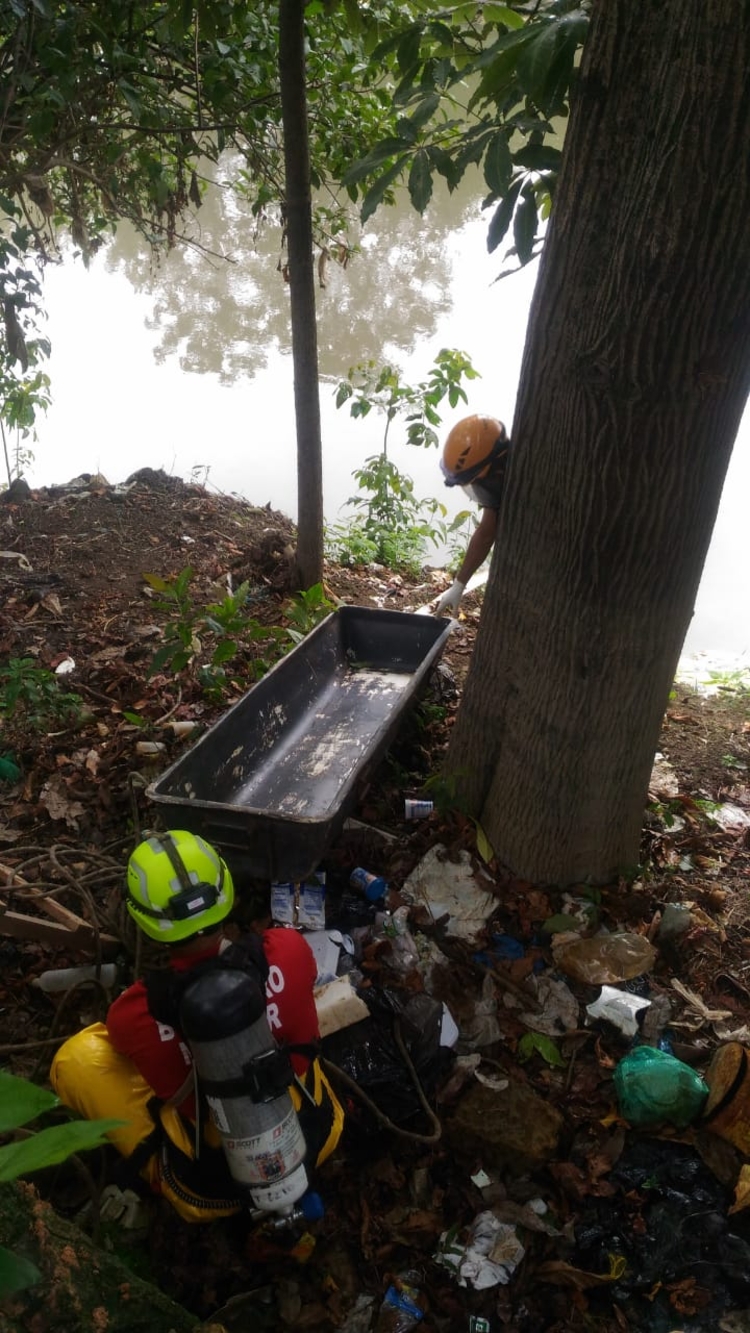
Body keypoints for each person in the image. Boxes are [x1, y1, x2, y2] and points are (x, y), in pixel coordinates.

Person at [50, 829, 344, 1223]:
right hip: (317, 1134)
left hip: (209, 1186)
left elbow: (124, 1047)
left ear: (143, 919)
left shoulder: (134, 1012)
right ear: (226, 892)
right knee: (294, 1025)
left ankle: (158, 1175)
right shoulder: (287, 948)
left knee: (76, 1057)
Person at [433, 414, 511, 617]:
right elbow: (486, 532)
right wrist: (458, 585)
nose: (479, 488)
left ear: (496, 469)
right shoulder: (497, 478)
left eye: (477, 480)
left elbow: (487, 531)